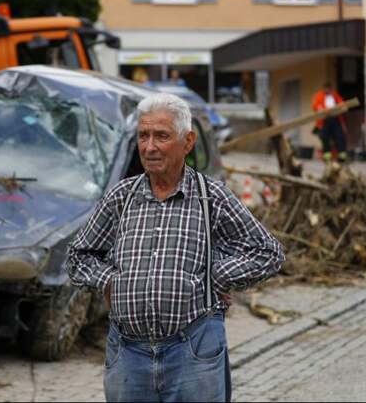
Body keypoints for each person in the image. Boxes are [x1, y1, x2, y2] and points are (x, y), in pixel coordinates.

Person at [66, 93, 285, 402]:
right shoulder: (121, 196)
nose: (150, 146)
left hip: (194, 350)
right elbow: (78, 256)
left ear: (188, 141)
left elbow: (268, 252)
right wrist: (109, 281)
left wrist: (217, 275)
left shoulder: (212, 197)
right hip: (128, 354)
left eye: (162, 136)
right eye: (143, 136)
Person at [311, 82, 348, 163]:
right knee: (325, 138)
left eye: (329, 88)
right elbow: (315, 105)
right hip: (324, 120)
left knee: (339, 137)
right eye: (326, 88)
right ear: (324, 88)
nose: (328, 90)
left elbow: (341, 103)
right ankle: (327, 158)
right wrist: (319, 108)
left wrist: (342, 107)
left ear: (331, 88)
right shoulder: (319, 95)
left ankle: (342, 157)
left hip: (335, 119)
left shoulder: (335, 95)